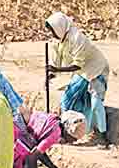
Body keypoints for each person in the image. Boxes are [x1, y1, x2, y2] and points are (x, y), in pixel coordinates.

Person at [45, 12, 112, 146]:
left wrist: (56, 69)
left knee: (96, 103)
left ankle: (103, 136)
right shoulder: (58, 41)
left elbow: (77, 65)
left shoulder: (77, 38)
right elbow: (56, 63)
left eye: (53, 31)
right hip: (82, 72)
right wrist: (51, 74)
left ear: (59, 27)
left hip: (96, 69)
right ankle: (66, 132)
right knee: (67, 99)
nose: (52, 34)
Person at [9, 108, 87, 168]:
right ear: (68, 131)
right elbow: (31, 157)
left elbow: (38, 151)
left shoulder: (53, 122)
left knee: (24, 167)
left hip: (15, 124)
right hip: (15, 132)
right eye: (73, 138)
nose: (74, 141)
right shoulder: (56, 133)